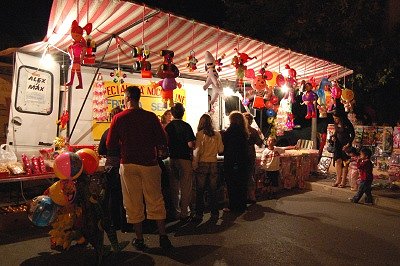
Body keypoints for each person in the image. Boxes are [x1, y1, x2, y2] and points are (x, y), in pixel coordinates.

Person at [106, 86, 173, 251]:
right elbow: (163, 139)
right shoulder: (150, 116)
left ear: (127, 98)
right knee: (155, 199)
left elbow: (110, 144)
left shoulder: (119, 118)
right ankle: (163, 236)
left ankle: (140, 239)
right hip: (150, 163)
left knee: (132, 201)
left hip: (128, 163)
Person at [98, 106, 133, 234]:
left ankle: (114, 223)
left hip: (110, 166)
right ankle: (126, 224)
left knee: (113, 196)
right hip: (124, 165)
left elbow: (101, 150)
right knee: (126, 195)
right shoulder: (127, 132)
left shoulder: (107, 132)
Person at [165, 103, 196, 222]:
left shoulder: (168, 127)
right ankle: (184, 212)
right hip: (184, 159)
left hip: (172, 159)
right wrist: (193, 144)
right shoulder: (186, 126)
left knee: (174, 187)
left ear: (172, 114)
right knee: (185, 187)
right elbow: (190, 144)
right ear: (183, 113)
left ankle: (176, 211)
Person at [192, 113, 224, 222]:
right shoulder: (217, 134)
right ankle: (214, 213)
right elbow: (220, 150)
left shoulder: (199, 134)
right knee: (213, 190)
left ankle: (199, 214)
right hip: (213, 163)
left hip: (202, 164)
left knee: (200, 191)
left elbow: (197, 152)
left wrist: (194, 164)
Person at [222, 111, 250, 213]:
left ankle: (233, 206)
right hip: (243, 161)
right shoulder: (244, 132)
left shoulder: (230, 131)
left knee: (232, 184)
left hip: (231, 160)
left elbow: (224, 146)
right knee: (241, 184)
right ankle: (242, 205)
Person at [331, 110, 355, 188]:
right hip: (337, 144)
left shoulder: (347, 124)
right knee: (338, 161)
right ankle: (338, 180)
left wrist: (349, 143)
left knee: (345, 162)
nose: (335, 120)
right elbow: (336, 132)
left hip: (346, 144)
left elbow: (353, 134)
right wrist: (333, 137)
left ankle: (343, 181)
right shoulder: (336, 124)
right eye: (334, 118)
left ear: (341, 118)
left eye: (336, 118)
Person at [243, 112, 263, 203]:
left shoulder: (241, 130)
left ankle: (248, 195)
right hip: (250, 155)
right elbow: (259, 143)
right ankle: (251, 196)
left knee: (245, 175)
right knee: (250, 175)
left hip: (243, 155)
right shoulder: (253, 131)